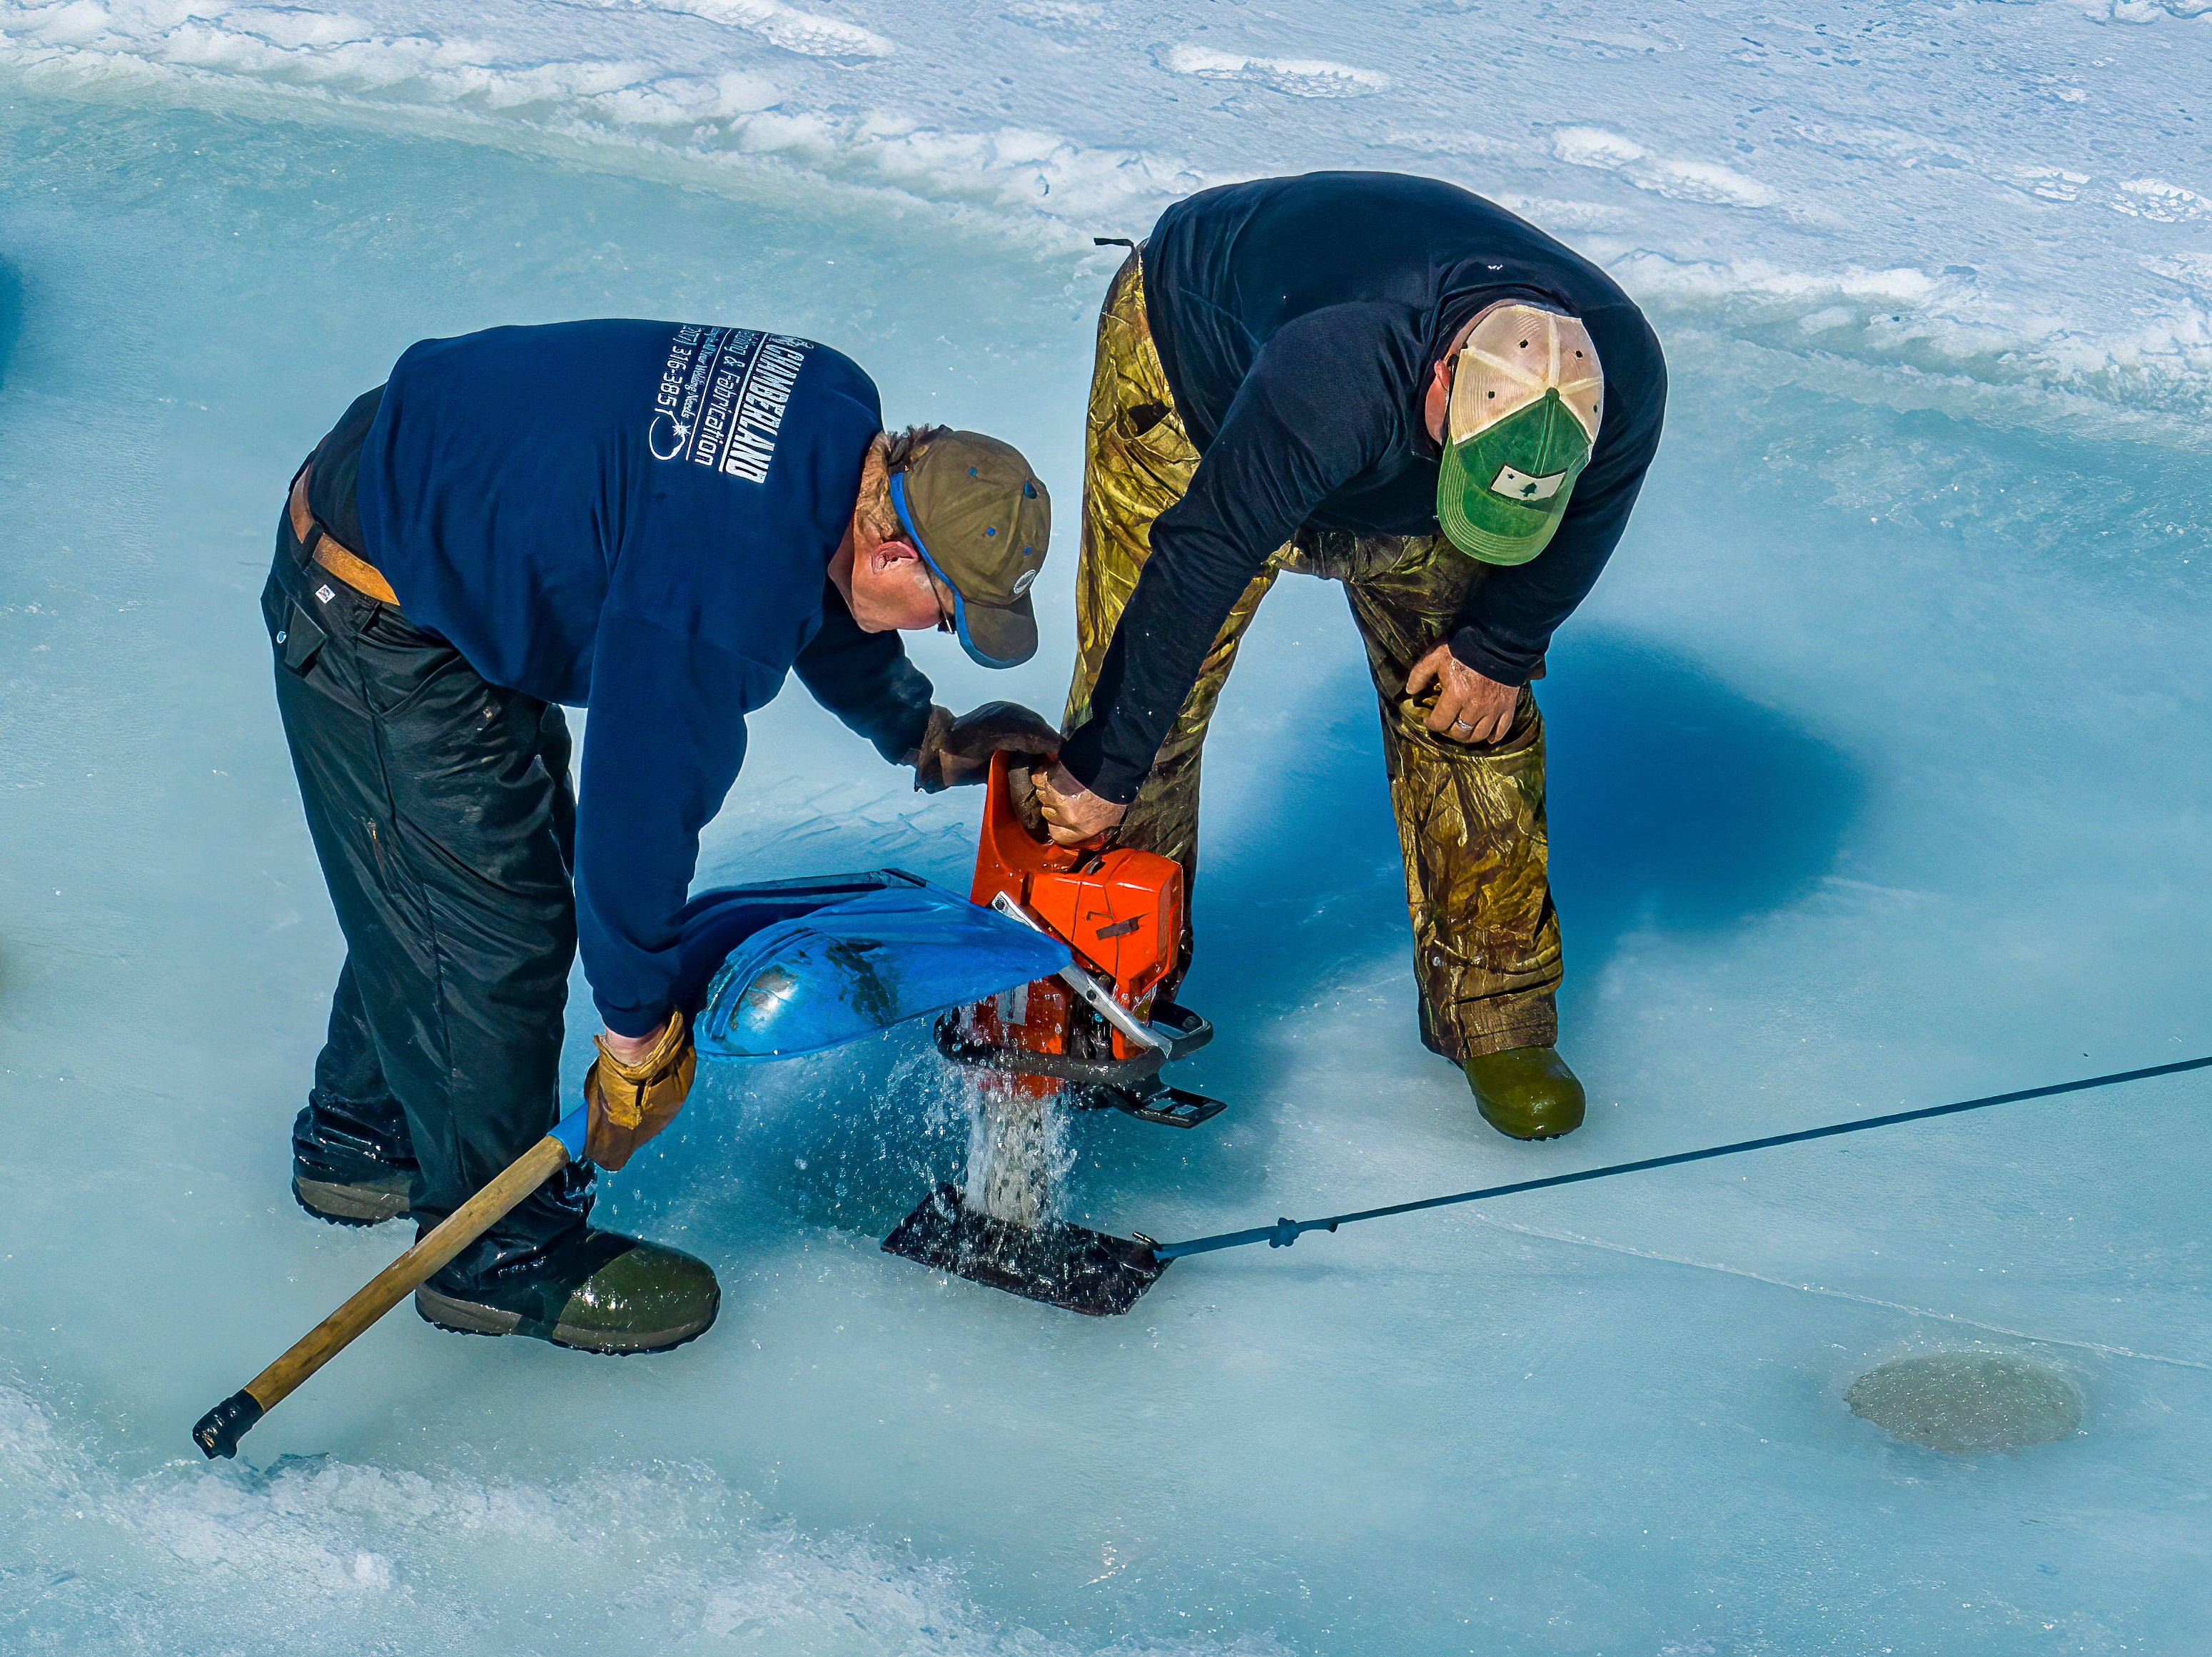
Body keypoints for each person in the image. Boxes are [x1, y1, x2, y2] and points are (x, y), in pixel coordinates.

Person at [266, 319, 1056, 1354]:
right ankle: (499, 1259)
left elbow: (823, 591)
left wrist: (921, 733)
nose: (929, 629)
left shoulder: (834, 417)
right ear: (896, 542)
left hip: (449, 507)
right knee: (491, 929)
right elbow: (642, 810)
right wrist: (635, 1036)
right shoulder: (720, 590)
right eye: (940, 610)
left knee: (461, 875)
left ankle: (363, 1136)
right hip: (378, 589)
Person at [1035, 173, 1667, 1142]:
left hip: (1394, 454)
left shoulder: (1618, 376)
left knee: (1477, 709)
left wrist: (1501, 645)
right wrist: (1105, 766)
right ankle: (1108, 993)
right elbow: (1201, 556)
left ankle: (1498, 1011)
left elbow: (1587, 526)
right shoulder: (1339, 369)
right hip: (1190, 386)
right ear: (1445, 383)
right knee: (1140, 711)